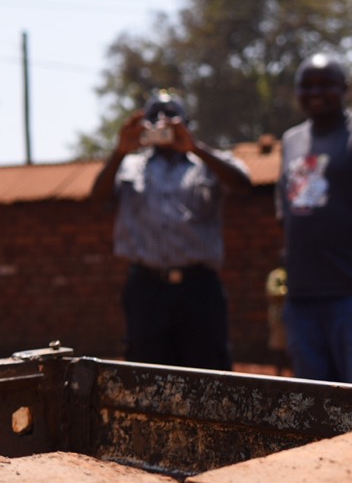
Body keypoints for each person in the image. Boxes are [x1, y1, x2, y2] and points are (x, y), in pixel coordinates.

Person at [89, 90, 251, 370]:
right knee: (147, 374)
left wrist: (195, 148)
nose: (163, 121)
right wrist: (119, 151)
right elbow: (97, 200)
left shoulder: (207, 162)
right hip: (146, 289)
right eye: (155, 116)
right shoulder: (129, 165)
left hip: (199, 288)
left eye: (171, 116)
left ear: (187, 123)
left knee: (209, 372)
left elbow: (244, 186)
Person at [277, 53, 352, 381]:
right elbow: (285, 211)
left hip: (347, 293)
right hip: (302, 297)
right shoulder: (291, 140)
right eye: (306, 85)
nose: (315, 92)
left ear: (344, 88)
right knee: (313, 400)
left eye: (325, 84)